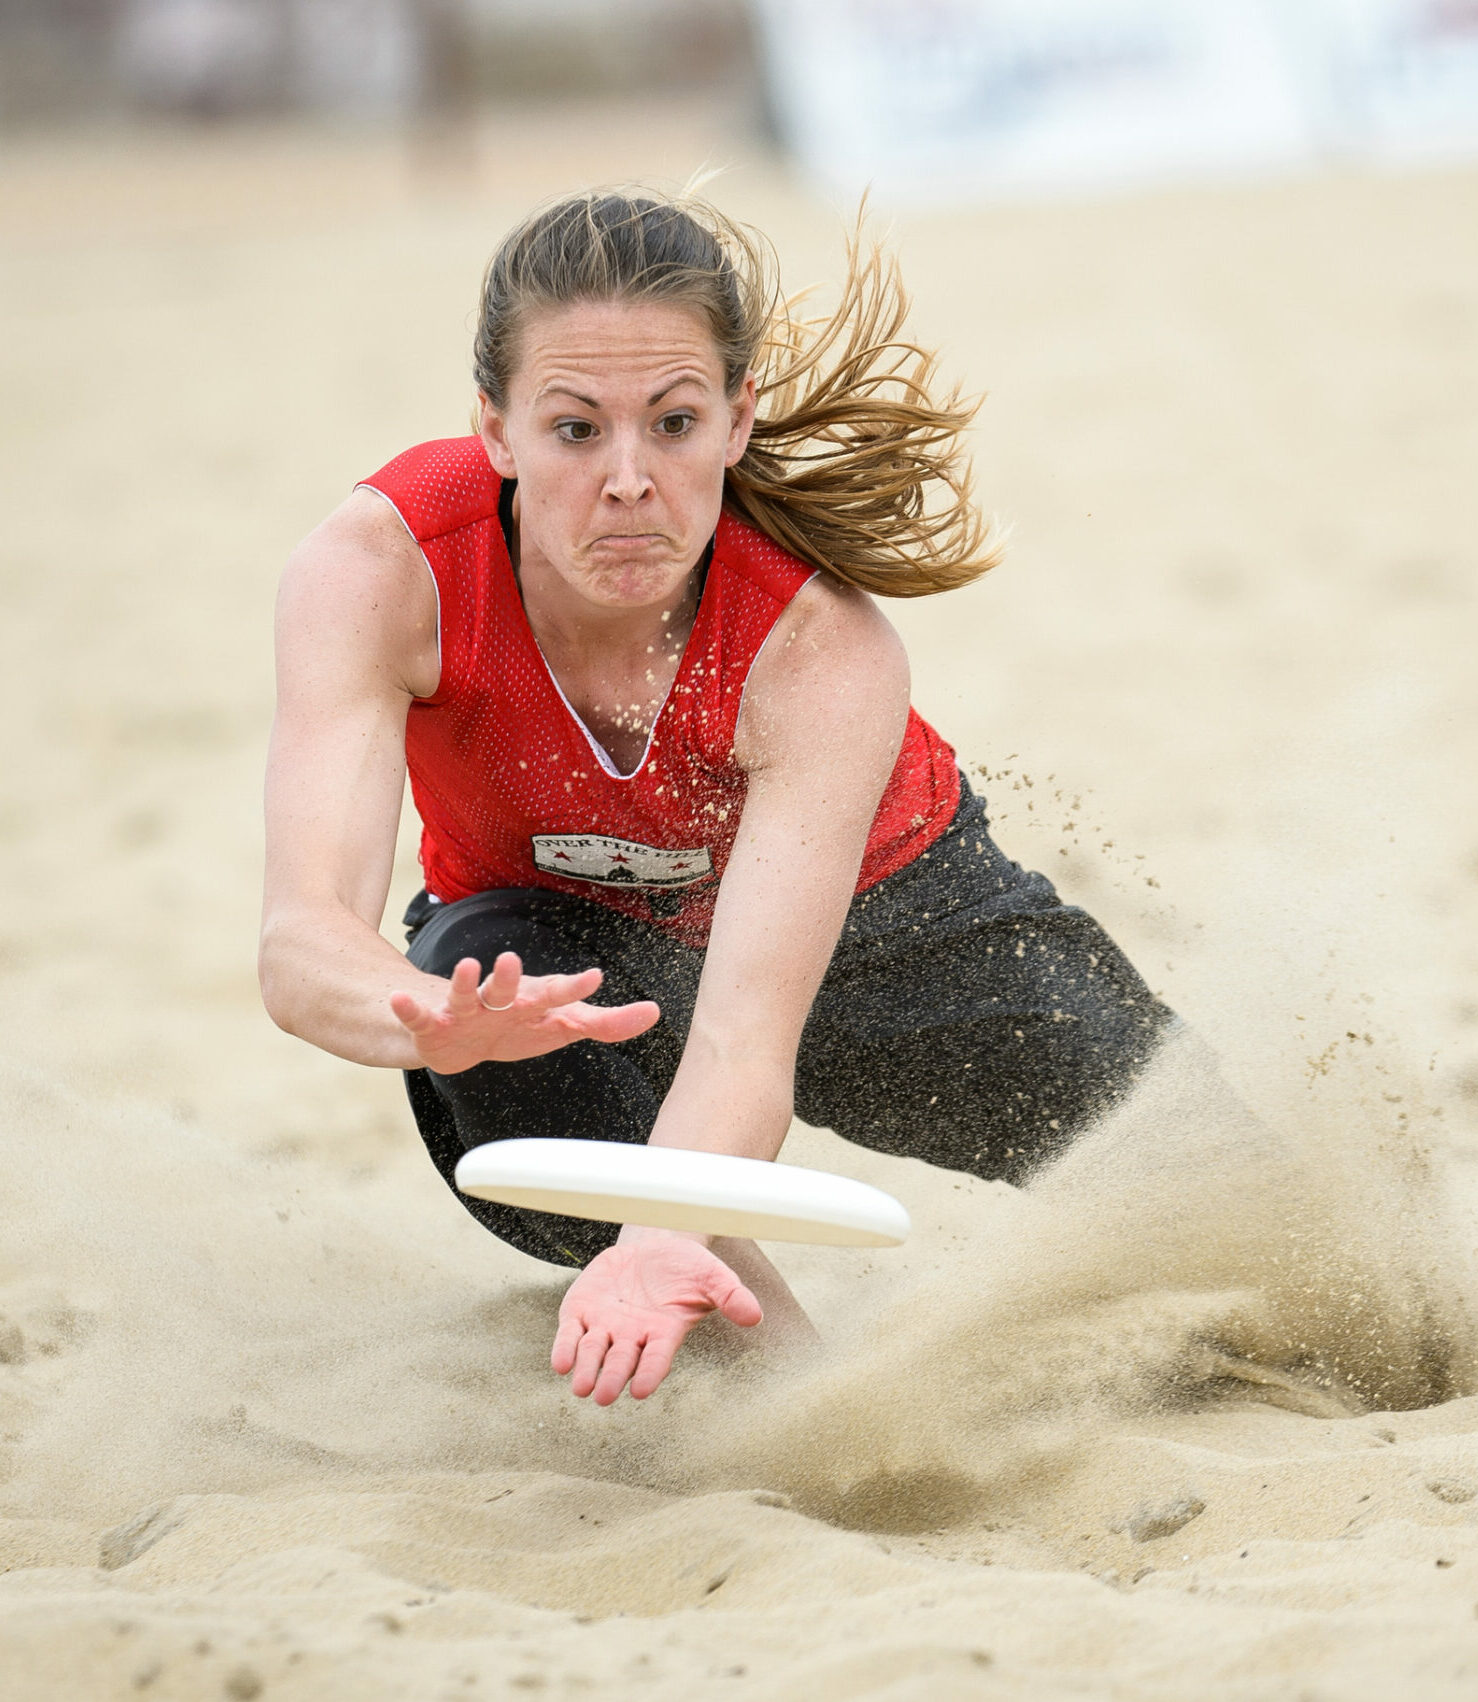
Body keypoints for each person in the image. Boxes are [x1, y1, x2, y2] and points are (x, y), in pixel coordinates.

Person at [260, 189, 1173, 1408]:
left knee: (1219, 1189)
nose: (630, 480)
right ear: (495, 428)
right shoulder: (379, 571)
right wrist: (427, 1012)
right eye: (575, 430)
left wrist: (666, 1227)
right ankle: (783, 1384)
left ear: (737, 422)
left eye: (675, 424)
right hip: (575, 966)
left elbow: (747, 1040)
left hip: (894, 919)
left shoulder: (817, 641)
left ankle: (681, 1265)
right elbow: (299, 940)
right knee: (494, 971)